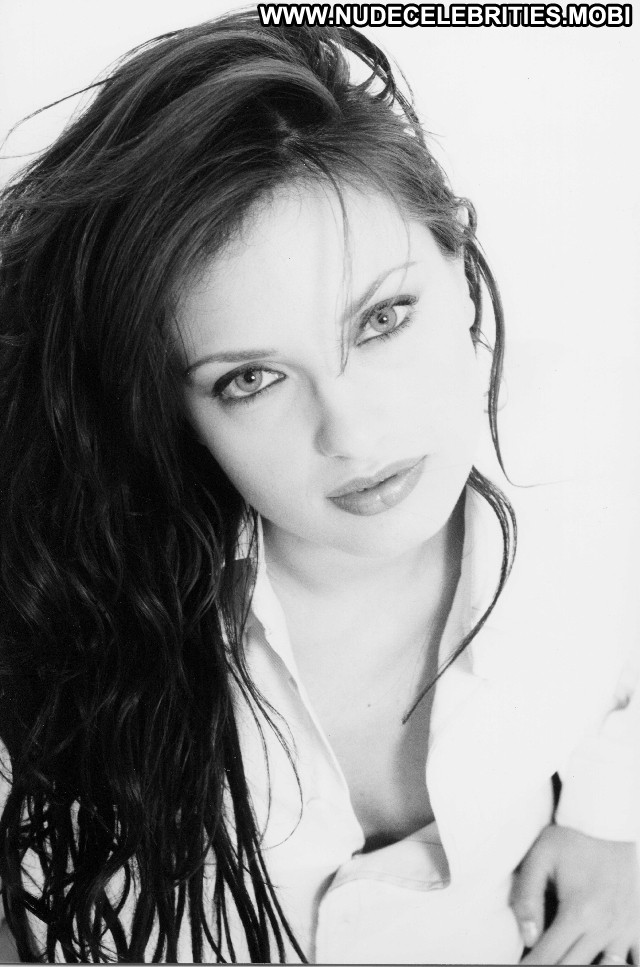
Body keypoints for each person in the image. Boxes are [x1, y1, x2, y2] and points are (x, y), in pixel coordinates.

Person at [0, 10, 638, 964]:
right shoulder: (54, 612)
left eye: (383, 318)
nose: (354, 434)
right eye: (250, 378)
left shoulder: (593, 449)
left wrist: (614, 819)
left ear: (461, 268)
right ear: (173, 408)